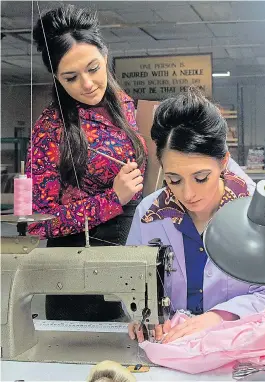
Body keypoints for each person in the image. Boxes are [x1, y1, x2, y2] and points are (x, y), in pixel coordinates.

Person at [126, 89, 265, 344]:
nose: (188, 193)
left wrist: (220, 317)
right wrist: (141, 314)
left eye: (201, 178)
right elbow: (131, 282)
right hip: (170, 345)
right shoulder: (149, 213)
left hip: (236, 345)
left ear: (223, 162)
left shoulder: (255, 212)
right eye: (173, 180)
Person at [26, 5, 147, 321]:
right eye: (71, 76)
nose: (88, 83)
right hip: (76, 264)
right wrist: (113, 199)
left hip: (131, 252)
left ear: (105, 55)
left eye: (94, 68)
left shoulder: (123, 105)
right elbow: (39, 221)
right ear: (55, 75)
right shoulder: (49, 129)